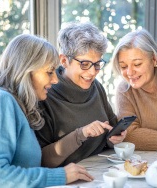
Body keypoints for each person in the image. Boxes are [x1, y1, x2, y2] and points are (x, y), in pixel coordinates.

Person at [0, 34, 93, 188]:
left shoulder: (20, 106)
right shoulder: (2, 101)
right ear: (26, 71)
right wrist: (60, 175)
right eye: (49, 72)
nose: (55, 80)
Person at [35, 21, 126, 168]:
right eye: (84, 64)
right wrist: (81, 134)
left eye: (97, 64)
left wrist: (114, 138)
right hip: (67, 178)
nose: (92, 72)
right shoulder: (45, 95)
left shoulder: (96, 87)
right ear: (64, 60)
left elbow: (109, 133)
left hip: (102, 169)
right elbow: (43, 160)